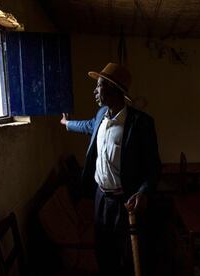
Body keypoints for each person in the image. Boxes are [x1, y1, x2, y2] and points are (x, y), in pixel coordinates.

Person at [60, 62, 161, 276]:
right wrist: (67, 124)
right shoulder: (100, 116)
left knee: (126, 254)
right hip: (100, 198)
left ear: (114, 90)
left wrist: (143, 192)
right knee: (103, 251)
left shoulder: (140, 123)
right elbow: (88, 126)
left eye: (99, 86)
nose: (95, 91)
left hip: (125, 202)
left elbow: (153, 167)